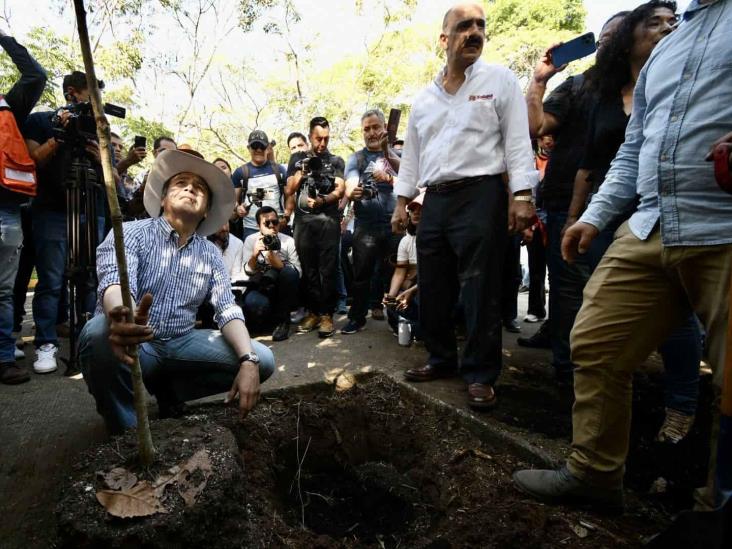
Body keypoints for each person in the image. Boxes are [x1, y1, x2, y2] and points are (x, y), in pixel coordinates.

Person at [513, 0, 732, 511]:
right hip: (650, 221)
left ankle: (716, 503)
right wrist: (594, 215)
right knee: (595, 342)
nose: (663, 24)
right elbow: (634, 148)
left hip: (722, 224)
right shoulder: (667, 51)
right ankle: (594, 473)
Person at [392, 3, 538, 409]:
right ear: (444, 39)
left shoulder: (500, 80)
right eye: (464, 26)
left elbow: (516, 143)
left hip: (481, 194)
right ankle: (441, 358)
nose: (474, 32)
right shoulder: (424, 99)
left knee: (480, 287)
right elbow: (413, 159)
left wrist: (522, 195)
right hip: (435, 200)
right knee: (434, 284)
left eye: (480, 25)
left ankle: (479, 373)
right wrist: (401, 203)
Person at [79, 149, 275, 434]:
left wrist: (248, 360)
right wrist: (123, 316)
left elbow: (227, 308)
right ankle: (126, 428)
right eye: (181, 183)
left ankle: (170, 393)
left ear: (207, 209)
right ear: (162, 198)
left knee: (262, 360)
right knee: (98, 333)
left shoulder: (209, 252)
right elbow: (115, 283)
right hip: (135, 344)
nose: (190, 188)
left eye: (199, 188)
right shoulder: (131, 233)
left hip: (180, 343)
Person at [523, 12, 628, 379]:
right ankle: (567, 371)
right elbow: (535, 126)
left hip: (631, 209)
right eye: (603, 39)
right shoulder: (576, 86)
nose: (608, 45)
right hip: (565, 201)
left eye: (619, 36)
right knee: (566, 287)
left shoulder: (651, 87)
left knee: (611, 295)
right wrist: (539, 81)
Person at [22, 70, 105, 375]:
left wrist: (100, 157)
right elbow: (32, 161)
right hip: (51, 210)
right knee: (52, 281)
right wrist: (60, 134)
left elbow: (112, 177)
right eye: (90, 95)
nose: (96, 102)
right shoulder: (41, 121)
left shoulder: (96, 128)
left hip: (89, 208)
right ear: (72, 92)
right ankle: (46, 344)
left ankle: (88, 339)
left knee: (90, 278)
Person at [0, 28, 46, 384]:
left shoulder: (9, 107)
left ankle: (3, 358)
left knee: (2, 289)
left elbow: (36, 75)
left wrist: (3, 37)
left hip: (6, 210)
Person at [341, 109, 402, 334]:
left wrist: (388, 178)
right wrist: (353, 190)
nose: (371, 132)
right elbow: (350, 181)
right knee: (361, 275)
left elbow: (410, 182)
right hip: (365, 227)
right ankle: (357, 317)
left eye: (376, 127)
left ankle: (397, 320)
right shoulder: (356, 158)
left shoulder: (398, 155)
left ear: (385, 128)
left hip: (395, 224)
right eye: (366, 129)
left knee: (396, 272)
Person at [285, 116, 346, 338]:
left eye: (326, 139)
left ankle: (327, 315)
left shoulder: (336, 160)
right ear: (310, 136)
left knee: (327, 269)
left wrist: (323, 201)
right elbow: (289, 190)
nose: (322, 143)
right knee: (308, 269)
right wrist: (302, 171)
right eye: (318, 138)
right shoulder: (298, 158)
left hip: (328, 221)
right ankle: (312, 312)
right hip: (303, 223)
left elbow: (340, 190)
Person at [241, 206, 301, 341]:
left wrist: (279, 265)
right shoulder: (251, 240)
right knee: (255, 305)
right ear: (258, 225)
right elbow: (246, 271)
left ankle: (283, 322)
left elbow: (298, 272)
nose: (272, 226)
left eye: (275, 222)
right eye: (266, 223)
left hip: (282, 288)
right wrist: (255, 256)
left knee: (289, 273)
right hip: (260, 285)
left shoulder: (288, 241)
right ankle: (267, 320)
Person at [230, 130, 288, 241]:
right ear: (249, 148)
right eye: (255, 146)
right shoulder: (240, 173)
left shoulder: (279, 170)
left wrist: (287, 215)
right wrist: (238, 208)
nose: (258, 150)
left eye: (262, 146)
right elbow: (234, 200)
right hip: (251, 228)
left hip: (276, 226)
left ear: (267, 148)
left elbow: (289, 195)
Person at [385, 192, 423, 339]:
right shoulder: (406, 241)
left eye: (421, 210)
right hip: (414, 289)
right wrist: (391, 297)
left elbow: (436, 275)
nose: (416, 213)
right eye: (413, 210)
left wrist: (412, 290)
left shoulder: (438, 239)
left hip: (429, 289)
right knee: (393, 306)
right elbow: (399, 272)